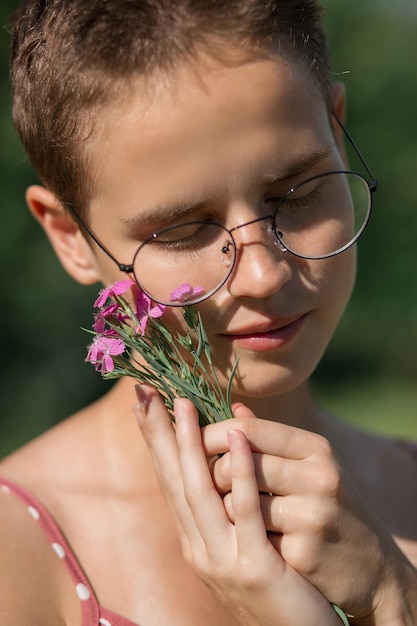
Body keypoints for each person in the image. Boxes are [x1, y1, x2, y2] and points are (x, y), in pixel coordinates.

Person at [1, 0, 416, 624]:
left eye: (296, 194)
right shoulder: (19, 553)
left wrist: (396, 596)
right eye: (181, 232)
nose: (263, 273)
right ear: (67, 235)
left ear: (336, 128)